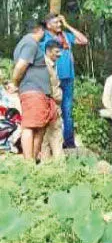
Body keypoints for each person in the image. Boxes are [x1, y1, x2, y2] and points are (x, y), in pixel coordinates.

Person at [42, 13, 89, 149]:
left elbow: (84, 40)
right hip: (52, 78)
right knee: (51, 110)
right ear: (48, 25)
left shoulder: (65, 36)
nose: (59, 25)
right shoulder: (44, 37)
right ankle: (48, 143)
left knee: (67, 111)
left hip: (68, 78)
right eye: (56, 22)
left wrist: (67, 25)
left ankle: (68, 143)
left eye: (60, 22)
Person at [12, 21, 57, 161]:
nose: (45, 34)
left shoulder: (28, 44)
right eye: (44, 31)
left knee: (39, 126)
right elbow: (21, 66)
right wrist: (14, 83)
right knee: (30, 126)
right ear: (39, 30)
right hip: (33, 91)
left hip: (38, 92)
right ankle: (28, 162)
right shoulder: (30, 43)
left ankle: (33, 160)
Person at [40, 40, 64, 160]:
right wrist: (57, 100)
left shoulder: (48, 64)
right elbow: (50, 88)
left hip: (46, 105)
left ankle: (46, 167)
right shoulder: (46, 65)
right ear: (48, 51)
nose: (59, 54)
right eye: (57, 51)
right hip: (51, 104)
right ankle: (59, 166)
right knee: (56, 134)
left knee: (45, 138)